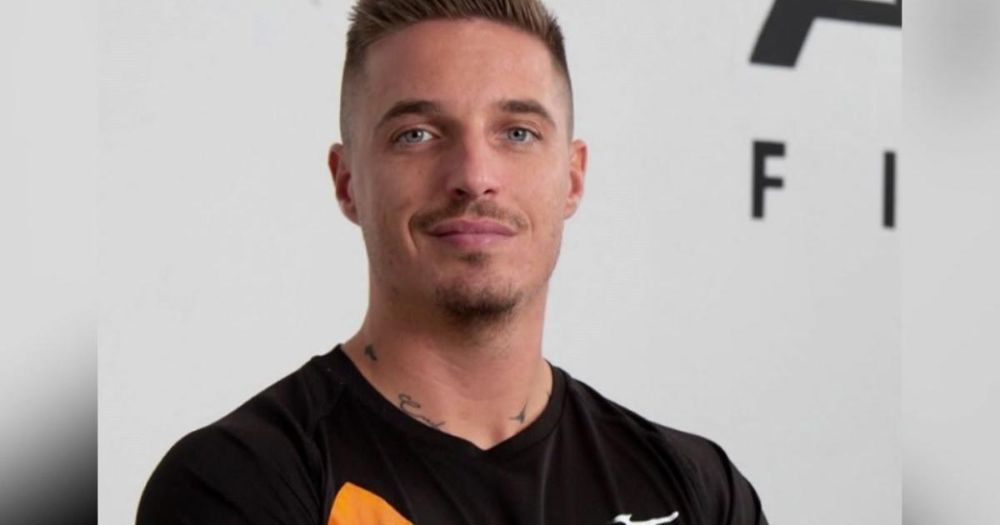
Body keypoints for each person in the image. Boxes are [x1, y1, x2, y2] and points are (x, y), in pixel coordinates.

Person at [137, 0, 768, 523]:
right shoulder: (240, 482)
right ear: (348, 182)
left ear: (572, 179)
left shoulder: (696, 489)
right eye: (416, 134)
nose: (474, 175)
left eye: (517, 132)